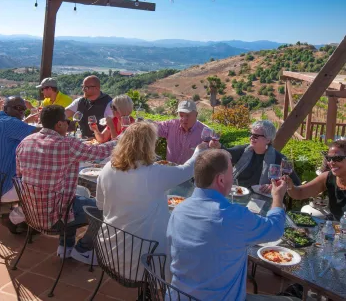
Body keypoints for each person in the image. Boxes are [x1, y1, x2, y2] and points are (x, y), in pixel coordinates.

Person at [167, 149, 296, 301]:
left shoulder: (179, 209)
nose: (233, 176)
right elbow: (275, 229)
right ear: (221, 180)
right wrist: (277, 197)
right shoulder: (234, 216)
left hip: (179, 296)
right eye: (231, 171)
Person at [96, 121, 206, 280]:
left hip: (108, 251)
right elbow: (187, 171)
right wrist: (199, 151)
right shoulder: (153, 173)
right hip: (142, 262)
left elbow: (100, 204)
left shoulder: (107, 168)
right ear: (148, 146)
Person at [16, 105, 116, 264]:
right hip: (55, 218)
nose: (69, 123)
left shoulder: (25, 142)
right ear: (59, 125)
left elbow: (20, 174)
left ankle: (66, 247)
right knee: (106, 210)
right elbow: (100, 153)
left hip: (31, 214)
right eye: (66, 120)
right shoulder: (67, 144)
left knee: (73, 198)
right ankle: (83, 249)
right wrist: (119, 141)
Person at [210, 120, 301, 189]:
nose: (251, 138)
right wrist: (218, 146)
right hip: (237, 193)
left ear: (268, 140)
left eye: (256, 136)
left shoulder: (280, 159)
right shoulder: (244, 150)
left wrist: (275, 186)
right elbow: (226, 153)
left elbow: (295, 184)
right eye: (251, 134)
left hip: (263, 199)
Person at [286, 139, 346, 221]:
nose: (331, 162)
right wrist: (289, 186)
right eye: (329, 158)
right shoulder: (327, 177)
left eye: (338, 158)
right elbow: (300, 193)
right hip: (334, 227)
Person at [157, 100, 207, 196]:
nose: (184, 119)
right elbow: (153, 128)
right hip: (170, 175)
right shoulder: (171, 125)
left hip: (190, 180)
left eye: (187, 115)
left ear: (196, 115)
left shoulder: (204, 132)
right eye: (181, 115)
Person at [0, 97, 38, 204]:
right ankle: (16, 217)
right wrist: (66, 124)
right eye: (18, 108)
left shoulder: (0, 120)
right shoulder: (10, 122)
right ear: (5, 108)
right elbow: (43, 134)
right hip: (1, 188)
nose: (21, 111)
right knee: (46, 188)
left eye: (24, 109)